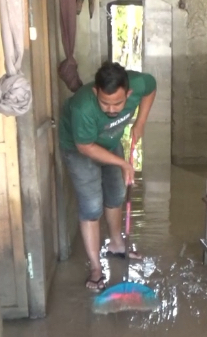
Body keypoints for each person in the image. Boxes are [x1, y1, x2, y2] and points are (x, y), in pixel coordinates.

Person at [58, 61, 157, 291]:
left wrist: (140, 122)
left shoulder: (139, 84)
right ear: (96, 92)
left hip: (109, 141)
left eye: (118, 103)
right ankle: (95, 268)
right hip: (79, 147)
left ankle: (116, 245)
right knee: (92, 206)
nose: (112, 109)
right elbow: (85, 147)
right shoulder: (83, 106)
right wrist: (123, 164)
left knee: (116, 194)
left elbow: (151, 87)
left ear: (129, 93)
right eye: (105, 103)